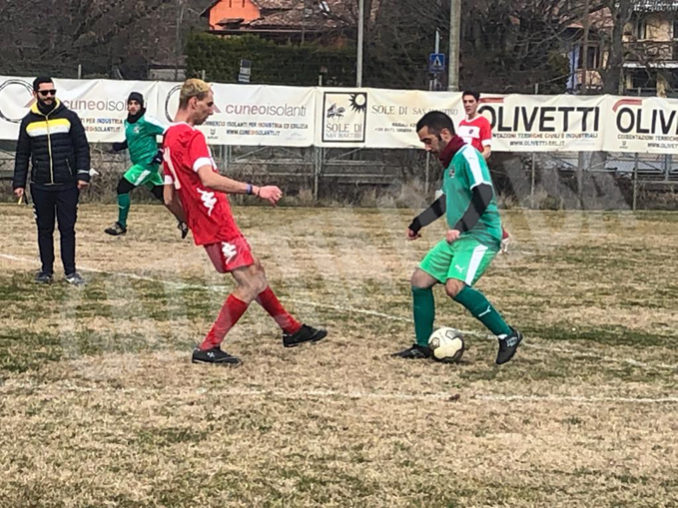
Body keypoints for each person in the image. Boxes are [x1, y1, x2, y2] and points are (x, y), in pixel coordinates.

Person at [162, 79, 327, 365]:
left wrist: (186, 220)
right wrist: (255, 190)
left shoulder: (167, 138)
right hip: (216, 220)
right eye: (209, 104)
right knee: (249, 284)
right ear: (193, 103)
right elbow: (208, 179)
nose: (212, 111)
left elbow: (168, 197)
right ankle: (209, 346)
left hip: (205, 221)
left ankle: (291, 329)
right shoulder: (192, 137)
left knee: (255, 272)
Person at [393, 111, 522, 365]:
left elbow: (484, 195)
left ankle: (507, 335)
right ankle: (422, 345)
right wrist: (418, 223)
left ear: (444, 134)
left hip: (481, 236)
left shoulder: (469, 155)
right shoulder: (450, 163)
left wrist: (461, 227)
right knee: (420, 280)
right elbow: (445, 202)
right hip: (461, 238)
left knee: (455, 287)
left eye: (428, 141)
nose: (426, 147)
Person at [13, 76, 90, 285]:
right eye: (45, 92)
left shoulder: (69, 117)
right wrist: (18, 183)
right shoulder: (28, 121)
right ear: (35, 94)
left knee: (67, 228)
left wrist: (83, 174)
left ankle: (71, 272)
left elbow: (82, 147)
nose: (49, 96)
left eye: (52, 92)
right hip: (40, 185)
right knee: (44, 229)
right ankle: (46, 271)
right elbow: (22, 154)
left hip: (67, 184)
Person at [105, 91, 187, 238]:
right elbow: (134, 140)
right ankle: (185, 220)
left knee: (122, 187)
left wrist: (160, 153)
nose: (132, 106)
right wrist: (120, 146)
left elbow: (169, 132)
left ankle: (121, 225)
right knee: (164, 196)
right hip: (140, 163)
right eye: (130, 103)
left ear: (142, 105)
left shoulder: (146, 121)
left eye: (136, 103)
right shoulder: (128, 122)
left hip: (147, 164)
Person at [457, 90, 511, 253]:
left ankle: (502, 235)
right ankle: (479, 236)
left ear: (477, 103)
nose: (467, 105)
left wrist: (475, 163)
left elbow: (487, 150)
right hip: (462, 171)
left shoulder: (483, 123)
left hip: (476, 172)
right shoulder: (461, 125)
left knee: (482, 205)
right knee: (466, 204)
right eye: (465, 101)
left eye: (470, 101)